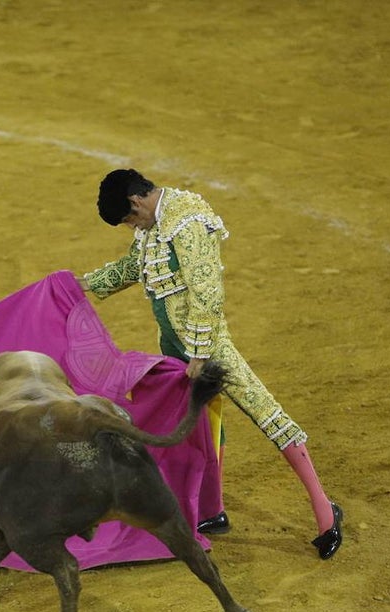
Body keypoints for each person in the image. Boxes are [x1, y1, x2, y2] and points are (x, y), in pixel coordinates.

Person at [76, 169, 344, 559]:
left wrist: (201, 353)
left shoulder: (186, 218)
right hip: (172, 342)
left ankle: (326, 511)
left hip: (209, 347)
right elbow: (136, 266)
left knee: (264, 411)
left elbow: (206, 292)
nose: (133, 227)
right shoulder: (153, 224)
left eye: (130, 219)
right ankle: (211, 510)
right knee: (196, 421)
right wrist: (84, 283)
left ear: (135, 202)